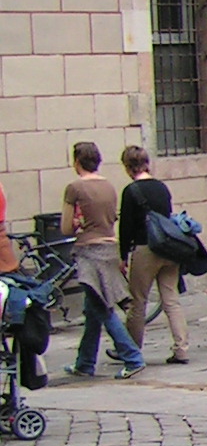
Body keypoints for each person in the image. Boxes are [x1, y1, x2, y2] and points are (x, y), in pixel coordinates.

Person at [61, 141, 142, 379]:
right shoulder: (109, 186)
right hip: (109, 247)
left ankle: (132, 356)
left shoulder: (74, 188)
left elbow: (66, 227)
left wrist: (76, 223)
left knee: (102, 307)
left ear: (77, 162)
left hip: (89, 251)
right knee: (93, 310)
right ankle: (85, 362)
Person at [118, 145, 190, 365]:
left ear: (128, 167)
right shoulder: (161, 187)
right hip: (168, 247)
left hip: (145, 247)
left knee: (138, 301)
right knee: (171, 299)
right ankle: (182, 348)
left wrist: (123, 255)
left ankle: (132, 350)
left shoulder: (131, 191)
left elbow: (126, 227)